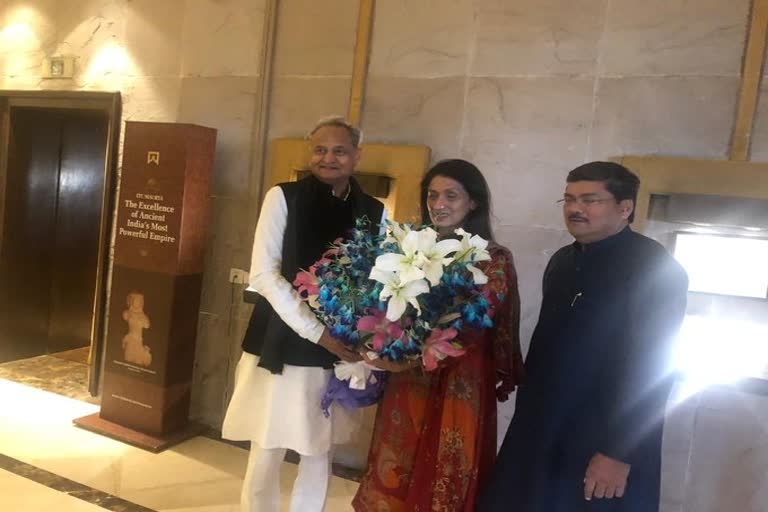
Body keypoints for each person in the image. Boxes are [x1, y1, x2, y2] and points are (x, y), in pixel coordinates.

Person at [480, 161, 688, 512]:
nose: (575, 209)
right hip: (544, 424)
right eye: (569, 199)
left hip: (605, 435)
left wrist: (617, 453)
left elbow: (653, 369)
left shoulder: (656, 268)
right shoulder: (562, 260)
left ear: (625, 208)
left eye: (590, 200)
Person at [222, 116, 386, 512]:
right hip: (281, 339)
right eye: (320, 149)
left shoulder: (374, 210)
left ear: (357, 156)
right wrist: (315, 330)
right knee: (268, 445)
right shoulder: (283, 197)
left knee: (318, 450)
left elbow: (377, 278)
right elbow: (264, 273)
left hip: (338, 347)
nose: (329, 158)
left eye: (340, 150)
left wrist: (365, 333)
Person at [352, 159, 525, 511]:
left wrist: (409, 354)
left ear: (472, 202)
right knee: (398, 460)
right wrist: (378, 344)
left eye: (451, 195)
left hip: (459, 380)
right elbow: (385, 306)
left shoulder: (493, 259)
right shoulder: (410, 249)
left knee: (448, 470)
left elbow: (476, 322)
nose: (439, 204)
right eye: (432, 195)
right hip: (408, 379)